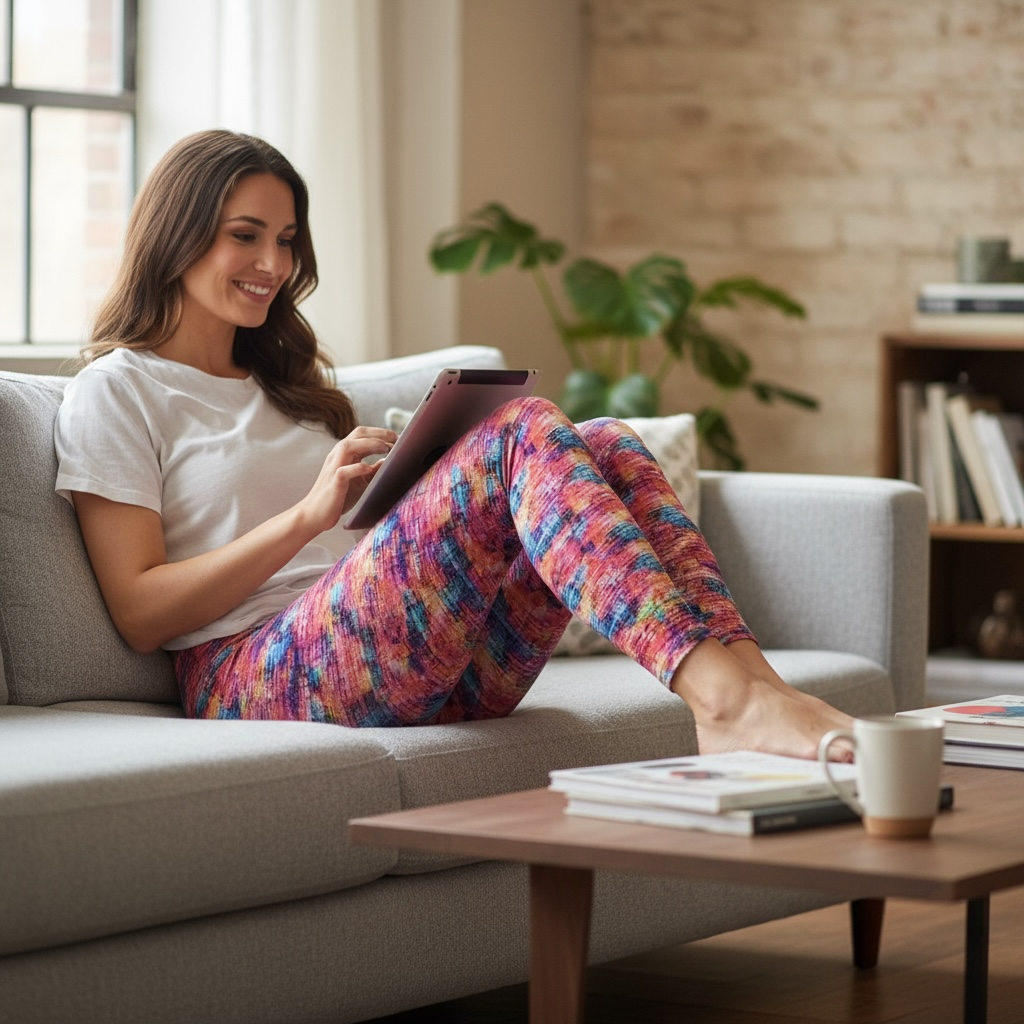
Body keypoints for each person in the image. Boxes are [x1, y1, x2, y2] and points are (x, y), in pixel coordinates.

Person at [54, 129, 851, 760]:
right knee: (525, 426)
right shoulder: (118, 389)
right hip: (255, 673)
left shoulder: (287, 381)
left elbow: (368, 550)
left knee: (609, 442)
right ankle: (723, 700)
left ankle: (753, 685)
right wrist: (307, 516)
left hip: (419, 658)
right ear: (177, 234)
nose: (274, 264)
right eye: (246, 236)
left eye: (288, 240)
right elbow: (139, 614)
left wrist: (420, 488)